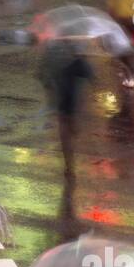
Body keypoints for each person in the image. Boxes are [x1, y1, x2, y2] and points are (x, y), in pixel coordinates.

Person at [39, 40, 93, 233]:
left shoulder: (59, 57)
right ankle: (69, 165)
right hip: (68, 104)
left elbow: (44, 76)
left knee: (68, 134)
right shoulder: (75, 61)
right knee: (68, 134)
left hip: (68, 103)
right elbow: (91, 79)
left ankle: (69, 164)